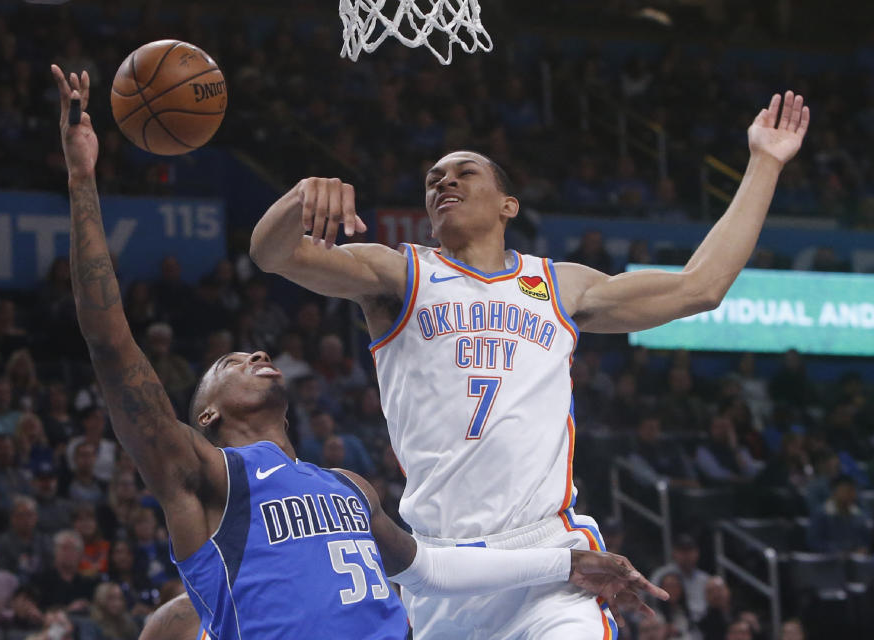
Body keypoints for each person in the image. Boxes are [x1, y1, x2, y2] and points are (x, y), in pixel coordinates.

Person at [51, 64, 666, 638]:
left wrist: (564, 564)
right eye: (229, 363)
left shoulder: (348, 485)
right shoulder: (206, 477)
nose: (254, 356)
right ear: (204, 415)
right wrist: (82, 181)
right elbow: (108, 340)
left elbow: (433, 572)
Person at [250, 72, 810, 634]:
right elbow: (272, 254)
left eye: (465, 173)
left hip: (551, 556)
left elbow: (700, 288)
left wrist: (765, 162)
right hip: (446, 565)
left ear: (508, 205)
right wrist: (297, 200)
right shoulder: (400, 273)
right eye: (433, 179)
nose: (445, 182)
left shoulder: (560, 286)